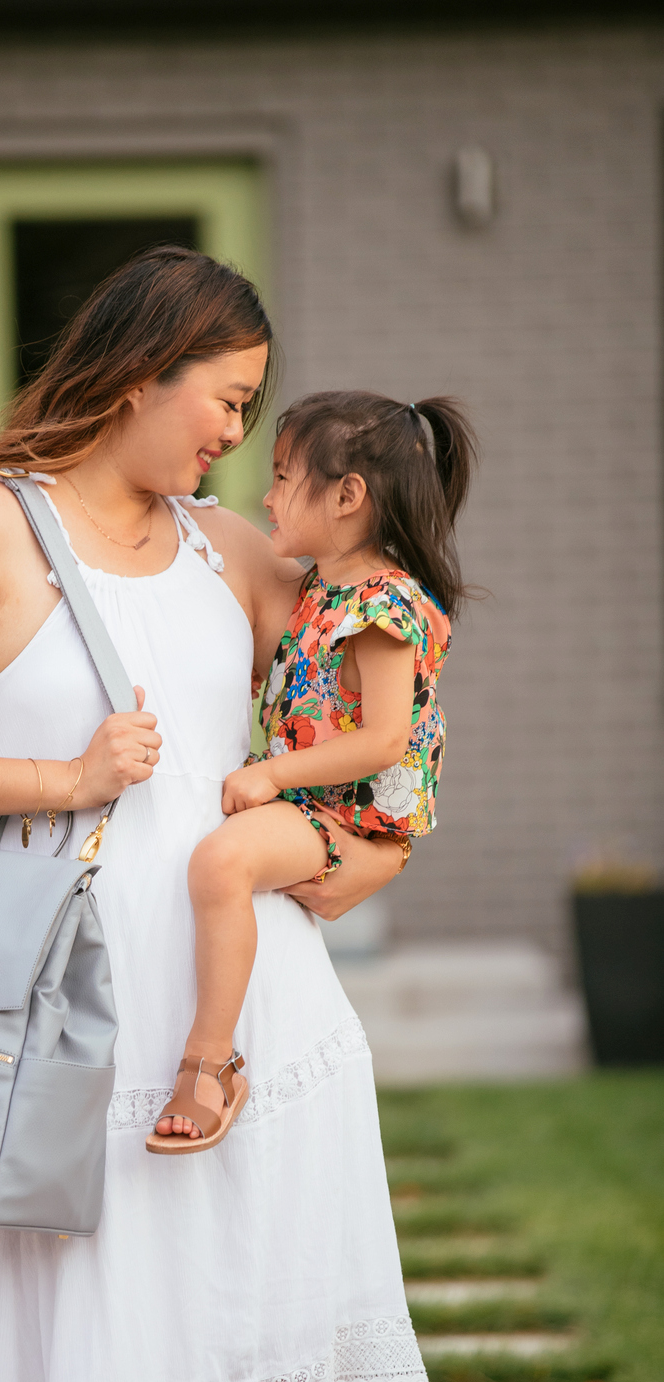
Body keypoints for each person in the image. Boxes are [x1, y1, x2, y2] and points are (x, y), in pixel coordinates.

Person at [0, 248, 440, 1382]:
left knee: (247, 1368)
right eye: (223, 399)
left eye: (251, 410)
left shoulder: (229, 548)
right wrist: (63, 778)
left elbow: (390, 687)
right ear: (136, 374)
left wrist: (374, 854)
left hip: (244, 1035)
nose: (238, 434)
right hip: (63, 1044)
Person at [150, 390, 475, 1153]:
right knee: (222, 861)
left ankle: (210, 1061)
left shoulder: (384, 607)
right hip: (316, 805)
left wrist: (274, 775)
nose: (263, 496)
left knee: (221, 863)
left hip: (346, 817)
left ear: (347, 495)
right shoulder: (319, 590)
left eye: (281, 476)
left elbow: (383, 740)